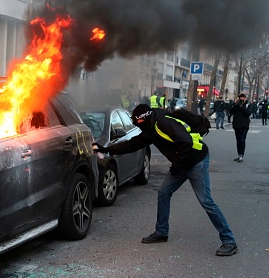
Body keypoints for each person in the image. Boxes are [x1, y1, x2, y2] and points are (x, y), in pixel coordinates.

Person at [93, 104, 237, 256]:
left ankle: (229, 241)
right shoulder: (150, 128)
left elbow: (186, 142)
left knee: (206, 201)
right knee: (163, 192)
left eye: (137, 121)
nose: (136, 125)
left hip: (196, 161)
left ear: (144, 118)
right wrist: (106, 150)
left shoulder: (163, 122)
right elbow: (132, 144)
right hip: (181, 162)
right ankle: (161, 232)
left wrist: (177, 165)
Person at [229, 93, 251, 162]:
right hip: (237, 125)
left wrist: (242, 106)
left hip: (244, 125)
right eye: (241, 99)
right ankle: (239, 155)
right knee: (238, 140)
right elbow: (230, 111)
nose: (242, 100)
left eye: (243, 99)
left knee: (242, 139)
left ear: (245, 99)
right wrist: (236, 104)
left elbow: (248, 113)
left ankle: (241, 155)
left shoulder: (247, 105)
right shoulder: (236, 105)